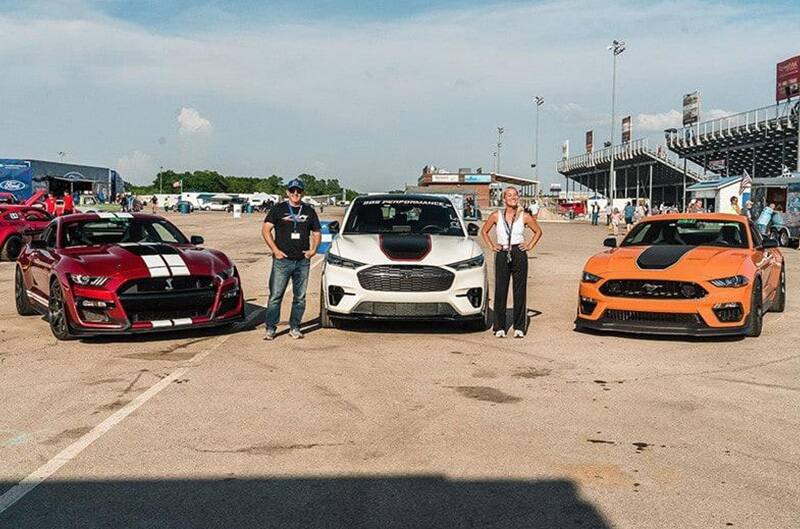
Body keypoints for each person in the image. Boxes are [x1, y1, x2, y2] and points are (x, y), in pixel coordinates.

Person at [262, 178, 321, 340]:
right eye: (293, 191)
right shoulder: (278, 209)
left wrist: (313, 250)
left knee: (300, 297)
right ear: (287, 192)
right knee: (276, 296)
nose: (296, 194)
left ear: (303, 193)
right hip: (282, 260)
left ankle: (295, 327)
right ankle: (271, 328)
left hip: (302, 261)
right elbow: (266, 230)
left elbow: (316, 232)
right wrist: (275, 250)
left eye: (299, 191)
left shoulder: (309, 211)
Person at [480, 187, 543, 339]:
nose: (513, 197)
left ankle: (519, 327)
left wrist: (529, 245)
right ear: (504, 199)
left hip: (518, 253)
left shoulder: (525, 216)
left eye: (515, 195)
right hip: (502, 253)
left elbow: (538, 232)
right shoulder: (496, 215)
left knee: (519, 291)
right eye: (509, 195)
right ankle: (499, 327)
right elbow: (484, 231)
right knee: (501, 290)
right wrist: (492, 245)